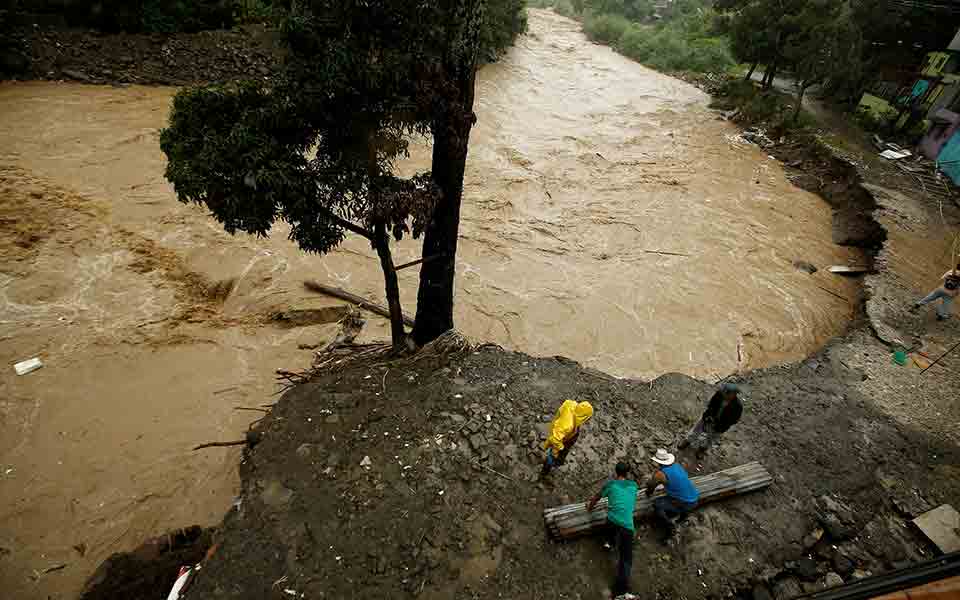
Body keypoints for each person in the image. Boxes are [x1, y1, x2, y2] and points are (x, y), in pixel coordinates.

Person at [587, 462, 638, 598]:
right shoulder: (633, 485)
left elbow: (597, 497)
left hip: (612, 521)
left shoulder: (611, 484)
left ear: (616, 472)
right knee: (626, 559)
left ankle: (609, 542)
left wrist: (590, 507)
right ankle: (622, 590)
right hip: (627, 525)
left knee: (611, 523)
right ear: (627, 473)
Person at [646, 449, 699, 543]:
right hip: (694, 497)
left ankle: (669, 527)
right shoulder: (677, 466)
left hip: (684, 502)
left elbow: (651, 486)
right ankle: (682, 517)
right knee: (679, 501)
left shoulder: (660, 474)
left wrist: (648, 493)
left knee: (656, 504)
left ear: (658, 462)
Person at [678, 382, 743, 457]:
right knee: (697, 429)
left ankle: (702, 449)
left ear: (734, 394)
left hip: (720, 426)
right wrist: (709, 416)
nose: (724, 395)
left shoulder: (737, 406)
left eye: (727, 393)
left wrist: (720, 424)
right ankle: (688, 440)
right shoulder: (719, 395)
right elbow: (711, 404)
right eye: (724, 392)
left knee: (711, 438)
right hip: (709, 417)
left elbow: (734, 420)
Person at [541, 400, 593, 476]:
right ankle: (544, 471)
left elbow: (566, 404)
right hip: (559, 440)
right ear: (583, 416)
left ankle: (550, 464)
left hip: (562, 433)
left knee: (558, 455)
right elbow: (555, 439)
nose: (588, 419)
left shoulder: (572, 405)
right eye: (587, 417)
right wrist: (561, 447)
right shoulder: (568, 425)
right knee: (553, 456)